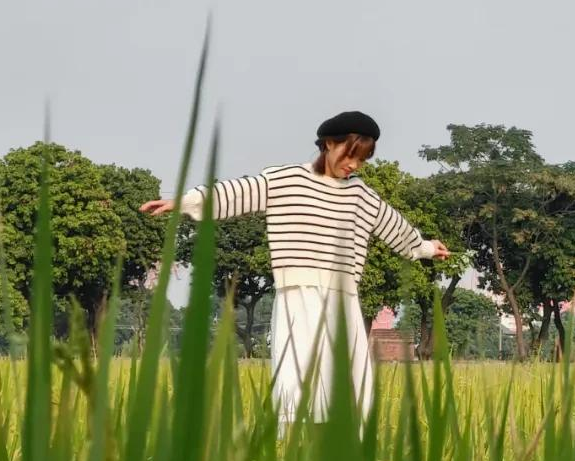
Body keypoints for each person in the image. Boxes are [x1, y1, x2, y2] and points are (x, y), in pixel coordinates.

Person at [139, 110, 450, 430]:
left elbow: (395, 229)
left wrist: (426, 247)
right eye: (350, 154)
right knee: (296, 380)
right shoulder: (287, 180)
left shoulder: (361, 196)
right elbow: (235, 192)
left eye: (363, 159)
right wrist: (186, 202)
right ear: (329, 144)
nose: (354, 165)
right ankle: (292, 456)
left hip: (343, 301)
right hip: (297, 299)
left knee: (350, 383)